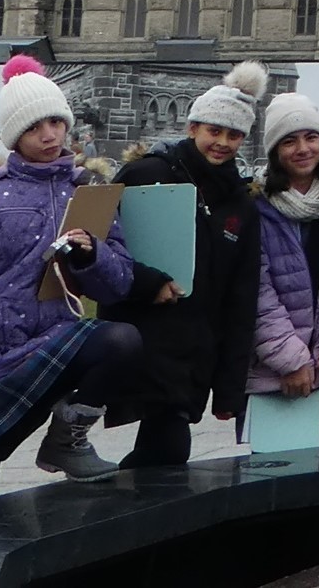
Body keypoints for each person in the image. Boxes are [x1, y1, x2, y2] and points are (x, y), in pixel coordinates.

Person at [0, 57, 144, 502]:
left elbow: (117, 285)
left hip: (55, 343)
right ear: (14, 136)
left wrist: (92, 254)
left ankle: (66, 437)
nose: (49, 135)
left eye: (56, 122)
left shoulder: (88, 193)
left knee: (123, 341)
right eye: (34, 127)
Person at [104, 60, 267, 467]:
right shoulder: (146, 174)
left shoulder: (240, 204)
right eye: (214, 130)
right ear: (193, 128)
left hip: (197, 349)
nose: (223, 142)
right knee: (168, 449)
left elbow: (241, 298)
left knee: (161, 455)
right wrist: (148, 284)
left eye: (234, 134)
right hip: (144, 337)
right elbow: (104, 250)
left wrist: (230, 389)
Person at [244, 88, 319, 438]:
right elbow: (257, 293)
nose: (302, 149)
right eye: (289, 141)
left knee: (316, 477)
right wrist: (292, 360)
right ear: (274, 151)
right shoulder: (257, 208)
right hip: (274, 367)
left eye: (311, 137)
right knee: (272, 477)